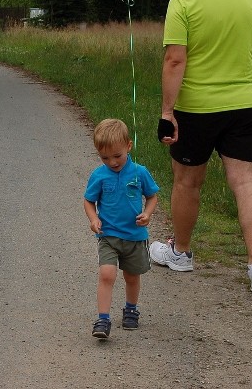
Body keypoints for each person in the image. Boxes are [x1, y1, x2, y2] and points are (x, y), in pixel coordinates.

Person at [150, 0, 252, 294]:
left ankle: (182, 253)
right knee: (247, 183)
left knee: (188, 181)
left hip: (195, 109)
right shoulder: (250, 0)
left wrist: (167, 111)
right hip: (243, 106)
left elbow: (175, 60)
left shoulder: (182, 2)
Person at [84, 119, 159, 339]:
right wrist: (93, 218)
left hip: (135, 236)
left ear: (128, 145)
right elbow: (88, 201)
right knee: (107, 274)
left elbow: (152, 196)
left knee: (131, 276)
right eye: (105, 158)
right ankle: (103, 319)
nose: (112, 162)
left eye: (117, 156)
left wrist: (147, 214)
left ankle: (131, 309)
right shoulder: (99, 175)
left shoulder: (139, 172)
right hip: (108, 235)